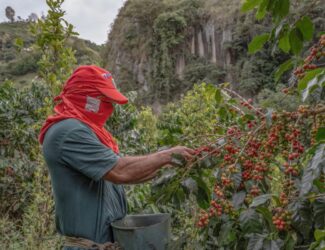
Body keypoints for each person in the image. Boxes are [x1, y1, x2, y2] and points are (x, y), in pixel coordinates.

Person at [39, 65, 194, 249]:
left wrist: (170, 164)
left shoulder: (91, 132)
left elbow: (128, 175)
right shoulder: (68, 132)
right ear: (86, 97)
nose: (109, 107)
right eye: (104, 100)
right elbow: (121, 171)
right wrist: (167, 155)